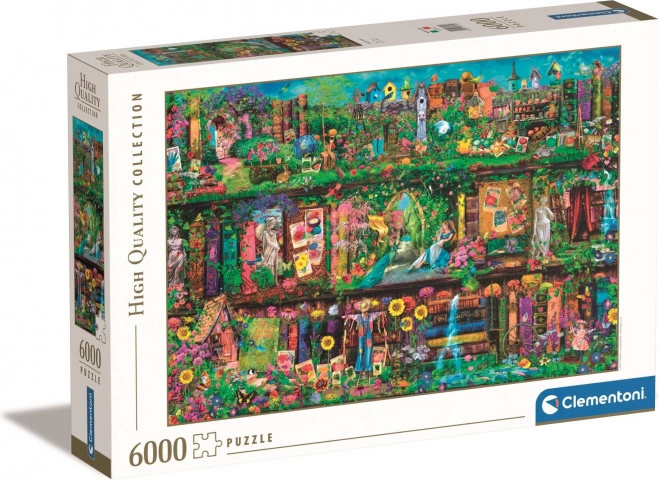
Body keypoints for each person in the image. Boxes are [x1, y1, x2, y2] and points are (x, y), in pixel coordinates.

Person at [257, 217, 280, 286]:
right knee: (268, 265)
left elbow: (275, 241)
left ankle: (272, 280)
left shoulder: (273, 233)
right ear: (269, 224)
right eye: (273, 223)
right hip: (268, 250)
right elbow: (269, 242)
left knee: (273, 265)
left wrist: (277, 245)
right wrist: (276, 246)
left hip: (273, 250)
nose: (274, 225)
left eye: (274, 223)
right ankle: (266, 280)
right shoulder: (265, 233)